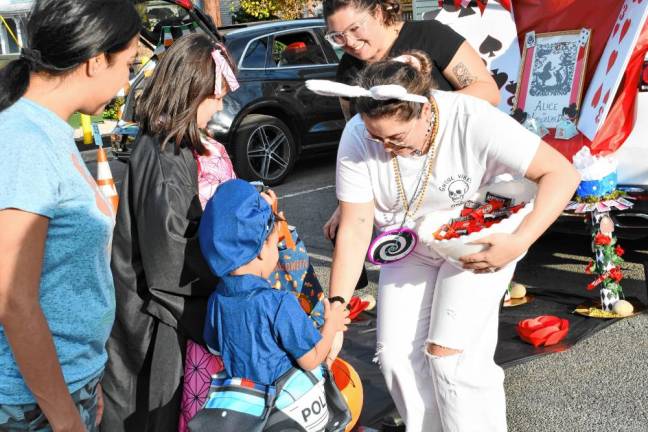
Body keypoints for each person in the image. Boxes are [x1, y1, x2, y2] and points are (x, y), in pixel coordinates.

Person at [308, 51, 580, 431]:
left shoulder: (472, 119)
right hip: (411, 245)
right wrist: (335, 309)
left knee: (450, 357)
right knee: (396, 359)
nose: (387, 149)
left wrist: (519, 241)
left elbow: (561, 173)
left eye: (397, 138)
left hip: (478, 239)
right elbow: (355, 227)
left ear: (424, 111)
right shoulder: (357, 135)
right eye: (377, 137)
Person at [0, 0, 140, 430]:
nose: (128, 80)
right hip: (31, 404)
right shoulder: (25, 141)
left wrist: (84, 378)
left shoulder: (48, 131)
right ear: (97, 61)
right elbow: (13, 298)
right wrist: (63, 415)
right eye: (128, 64)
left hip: (63, 383)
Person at [101, 33, 239, 432]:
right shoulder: (165, 154)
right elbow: (169, 258)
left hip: (163, 307)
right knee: (156, 410)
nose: (219, 106)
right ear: (191, 91)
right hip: (158, 315)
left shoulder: (170, 145)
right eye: (214, 96)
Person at [322, 0, 500, 242]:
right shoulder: (348, 69)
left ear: (377, 12)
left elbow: (488, 92)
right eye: (337, 36)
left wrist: (420, 110)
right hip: (403, 196)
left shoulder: (431, 36)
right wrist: (348, 202)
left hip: (460, 177)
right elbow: (360, 139)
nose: (350, 43)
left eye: (355, 29)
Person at [190, 179, 350, 431]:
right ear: (263, 250)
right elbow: (312, 359)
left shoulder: (217, 300)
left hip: (247, 414)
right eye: (275, 243)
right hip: (288, 412)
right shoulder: (279, 303)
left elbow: (214, 346)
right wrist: (331, 325)